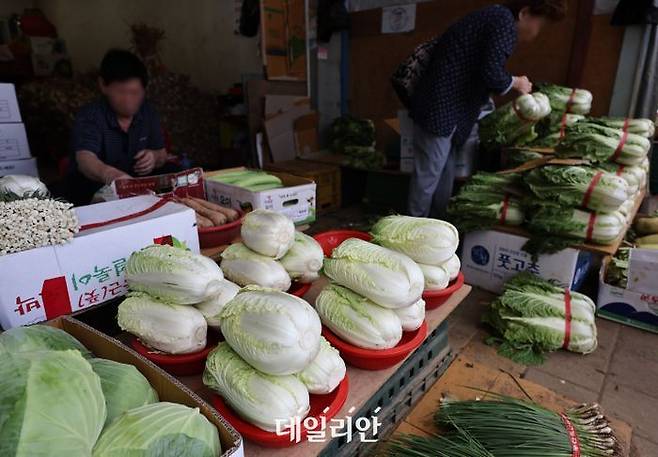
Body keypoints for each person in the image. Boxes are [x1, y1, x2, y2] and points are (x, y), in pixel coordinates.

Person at [406, 0, 566, 218]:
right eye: (540, 24)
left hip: (450, 114)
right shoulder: (502, 22)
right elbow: (491, 74)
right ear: (525, 13)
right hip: (439, 110)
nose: (537, 32)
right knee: (428, 178)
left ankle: (436, 231)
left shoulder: (494, 18)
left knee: (443, 175)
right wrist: (517, 83)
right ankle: (409, 233)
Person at [66, 49, 168, 205]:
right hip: (95, 186)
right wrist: (114, 177)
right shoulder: (91, 116)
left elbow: (162, 153)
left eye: (134, 92)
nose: (128, 99)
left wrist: (153, 157)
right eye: (121, 92)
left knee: (171, 173)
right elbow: (85, 158)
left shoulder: (147, 112)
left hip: (136, 184)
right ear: (103, 85)